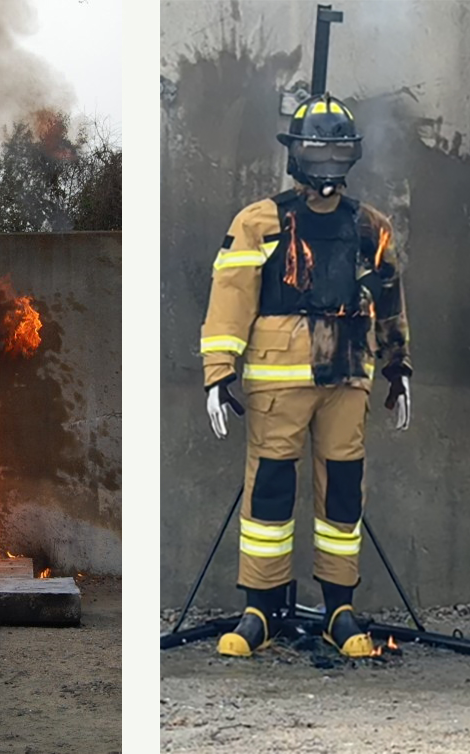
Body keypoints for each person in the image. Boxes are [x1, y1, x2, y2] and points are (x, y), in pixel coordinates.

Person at [200, 94, 412, 658]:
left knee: (342, 493)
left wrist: (398, 365)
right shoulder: (259, 222)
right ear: (296, 154)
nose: (327, 162)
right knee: (269, 491)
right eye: (317, 150)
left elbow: (390, 299)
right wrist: (218, 372)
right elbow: (230, 299)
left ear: (352, 156)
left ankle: (339, 608)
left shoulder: (370, 227)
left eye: (337, 151)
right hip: (277, 383)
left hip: (347, 378)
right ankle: (260, 610)